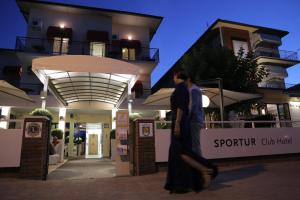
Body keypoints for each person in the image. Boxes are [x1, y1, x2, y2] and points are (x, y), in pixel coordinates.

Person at [165, 69, 210, 193]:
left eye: (174, 76)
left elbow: (182, 106)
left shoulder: (183, 89)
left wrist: (178, 123)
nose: (173, 78)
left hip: (183, 122)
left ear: (177, 76)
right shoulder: (184, 89)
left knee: (184, 152)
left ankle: (204, 171)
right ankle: (187, 181)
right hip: (183, 122)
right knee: (182, 152)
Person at [187, 77, 204, 156]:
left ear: (189, 80)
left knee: (195, 144)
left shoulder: (193, 90)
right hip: (197, 119)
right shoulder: (196, 89)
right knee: (195, 144)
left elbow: (194, 106)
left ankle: (201, 164)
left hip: (195, 119)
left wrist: (188, 117)